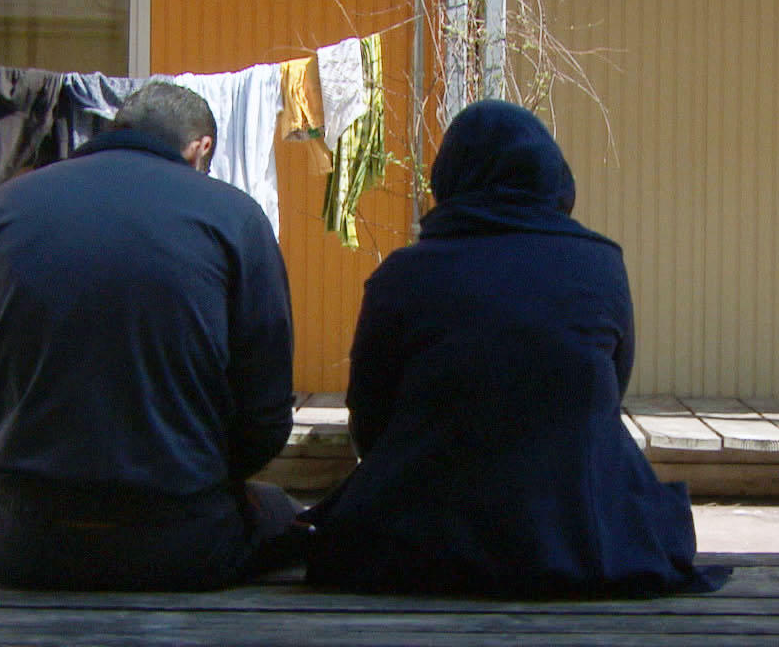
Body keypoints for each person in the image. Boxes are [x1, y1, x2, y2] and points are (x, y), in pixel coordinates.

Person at [303, 100, 728, 596]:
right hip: (585, 544)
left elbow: (371, 421)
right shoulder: (600, 265)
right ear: (551, 175)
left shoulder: (403, 275)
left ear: (452, 177)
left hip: (424, 546)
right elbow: (606, 398)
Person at [0, 79, 300, 591]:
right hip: (182, 542)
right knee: (283, 511)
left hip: (26, 541)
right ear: (201, 148)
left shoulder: (0, 208)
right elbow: (265, 416)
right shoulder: (235, 216)